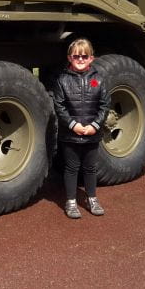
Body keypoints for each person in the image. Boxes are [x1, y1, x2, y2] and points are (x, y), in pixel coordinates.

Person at [52, 38, 110, 219]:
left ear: (91, 58)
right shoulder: (62, 81)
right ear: (70, 58)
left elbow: (104, 105)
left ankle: (92, 198)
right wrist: (73, 125)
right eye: (76, 56)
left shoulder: (98, 80)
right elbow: (59, 106)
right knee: (71, 168)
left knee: (90, 168)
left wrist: (94, 125)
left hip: (92, 134)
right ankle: (70, 201)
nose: (81, 59)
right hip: (70, 135)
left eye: (84, 56)